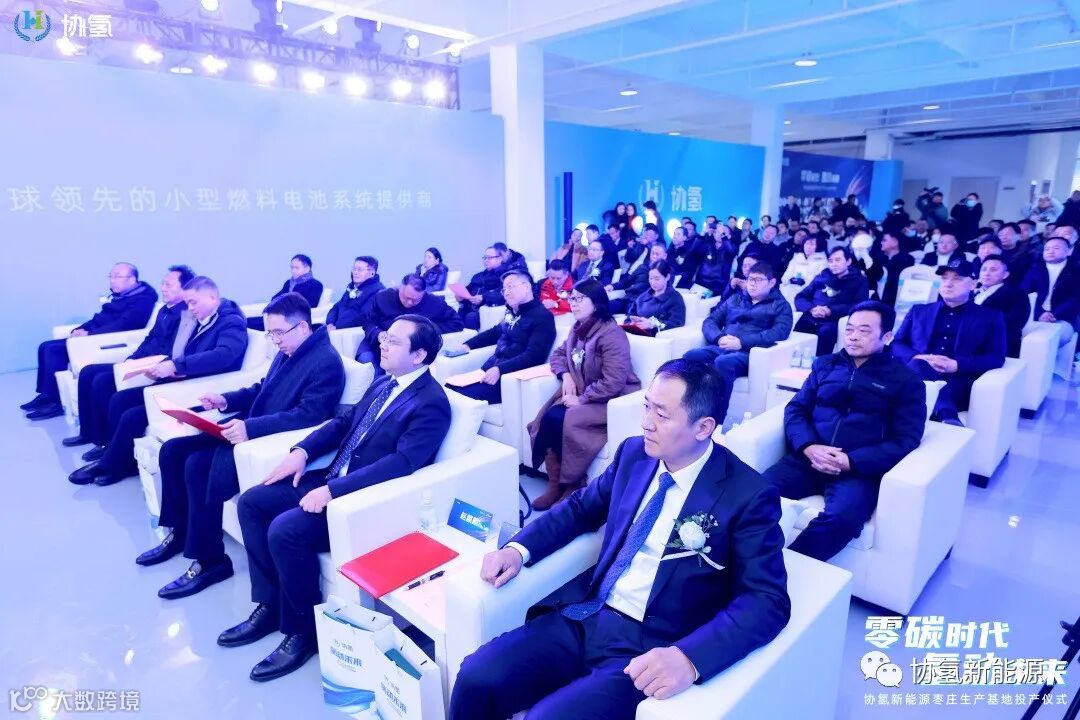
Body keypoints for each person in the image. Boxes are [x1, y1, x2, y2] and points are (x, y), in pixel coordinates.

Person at [450, 359, 790, 720]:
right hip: (586, 613)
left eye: (661, 414)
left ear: (703, 427)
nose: (646, 422)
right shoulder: (634, 454)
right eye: (647, 406)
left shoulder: (747, 495)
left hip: (649, 645)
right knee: (476, 677)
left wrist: (690, 658)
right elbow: (580, 509)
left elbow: (766, 599)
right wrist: (519, 548)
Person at [220, 315, 451, 682]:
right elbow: (344, 423)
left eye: (393, 341)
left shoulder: (431, 403)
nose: (382, 344)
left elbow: (401, 463)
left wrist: (332, 492)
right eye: (384, 337)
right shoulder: (384, 381)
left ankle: (303, 633)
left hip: (360, 501)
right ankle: (269, 604)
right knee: (251, 503)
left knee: (285, 530)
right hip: (330, 477)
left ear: (419, 355)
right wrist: (302, 451)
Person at [138, 293, 346, 600]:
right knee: (173, 451)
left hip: (263, 438)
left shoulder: (326, 362)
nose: (275, 340)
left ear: (303, 326)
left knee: (198, 465)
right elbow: (263, 389)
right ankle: (180, 532)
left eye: (279, 332)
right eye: (271, 333)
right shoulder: (291, 350)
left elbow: (310, 415)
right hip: (249, 426)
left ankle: (211, 560)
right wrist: (226, 400)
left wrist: (251, 428)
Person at [762, 301, 926, 561]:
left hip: (858, 471)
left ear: (887, 337)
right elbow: (796, 409)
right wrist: (808, 446)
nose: (853, 336)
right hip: (808, 458)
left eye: (864, 331)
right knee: (754, 492)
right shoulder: (825, 365)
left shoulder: (906, 380)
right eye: (849, 329)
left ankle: (786, 567)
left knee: (842, 519)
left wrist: (852, 461)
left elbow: (906, 438)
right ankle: (744, 558)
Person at [68, 276, 250, 486]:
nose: (190, 308)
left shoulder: (231, 322)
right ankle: (112, 454)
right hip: (183, 380)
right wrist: (165, 365)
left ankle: (112, 466)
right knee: (120, 399)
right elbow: (182, 351)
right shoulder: (201, 320)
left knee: (132, 416)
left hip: (200, 388)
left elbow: (223, 355)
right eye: (188, 303)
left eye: (193, 302)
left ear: (212, 298)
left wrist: (177, 366)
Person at [528, 279, 641, 511]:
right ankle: (555, 485)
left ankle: (572, 484)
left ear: (596, 303)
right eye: (572, 298)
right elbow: (558, 356)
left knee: (568, 420)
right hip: (582, 389)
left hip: (610, 398)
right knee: (549, 417)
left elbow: (614, 381)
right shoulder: (577, 328)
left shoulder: (612, 334)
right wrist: (565, 375)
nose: (574, 303)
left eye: (580, 298)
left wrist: (581, 399)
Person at [61, 265, 196, 453]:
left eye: (168, 285)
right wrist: (131, 359)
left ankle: (105, 443)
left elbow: (173, 353)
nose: (163, 288)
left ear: (185, 289)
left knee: (102, 381)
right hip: (139, 361)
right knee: (88, 372)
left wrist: (140, 364)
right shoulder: (164, 310)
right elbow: (149, 339)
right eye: (162, 284)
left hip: (153, 367)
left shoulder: (187, 315)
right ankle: (88, 433)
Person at [23, 263, 158, 420]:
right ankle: (46, 395)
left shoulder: (143, 300)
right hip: (93, 335)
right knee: (45, 346)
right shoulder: (121, 295)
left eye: (117, 277)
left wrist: (89, 334)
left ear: (132, 279)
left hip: (103, 341)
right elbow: (99, 318)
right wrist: (80, 329)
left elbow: (124, 325)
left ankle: (55, 402)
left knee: (53, 350)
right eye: (111, 276)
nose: (112, 280)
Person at [891, 260, 1006, 425]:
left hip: (957, 380)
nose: (948, 284)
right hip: (914, 372)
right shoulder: (919, 310)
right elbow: (896, 344)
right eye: (944, 278)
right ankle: (947, 415)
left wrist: (957, 365)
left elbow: (996, 358)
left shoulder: (990, 317)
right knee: (918, 365)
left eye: (957, 278)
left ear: (973, 284)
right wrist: (918, 357)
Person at [447, 269, 557, 404]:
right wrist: (467, 345)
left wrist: (500, 369)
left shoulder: (543, 317)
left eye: (510, 286)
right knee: (448, 389)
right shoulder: (511, 312)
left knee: (457, 397)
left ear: (527, 287)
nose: (506, 292)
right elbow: (494, 333)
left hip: (510, 378)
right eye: (504, 289)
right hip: (490, 370)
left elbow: (534, 356)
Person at [685, 261, 792, 385]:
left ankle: (717, 399)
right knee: (691, 356)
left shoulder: (780, 305)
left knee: (723, 362)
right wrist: (719, 338)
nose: (752, 284)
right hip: (722, 346)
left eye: (758, 280)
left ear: (771, 282)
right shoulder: (735, 299)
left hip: (749, 353)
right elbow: (710, 321)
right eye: (750, 279)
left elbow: (779, 332)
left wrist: (742, 343)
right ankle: (692, 397)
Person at [357, 275, 463, 366]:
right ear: (400, 288)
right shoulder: (383, 297)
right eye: (405, 297)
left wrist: (426, 330)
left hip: (408, 348)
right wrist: (378, 333)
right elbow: (368, 322)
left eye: (415, 300)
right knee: (366, 359)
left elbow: (456, 323)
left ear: (423, 294)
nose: (409, 303)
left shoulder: (434, 303)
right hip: (378, 343)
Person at [794, 247, 869, 356]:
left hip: (833, 320)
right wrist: (811, 309)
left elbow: (859, 305)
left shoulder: (859, 280)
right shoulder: (821, 277)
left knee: (826, 331)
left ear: (848, 261)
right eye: (830, 261)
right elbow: (800, 297)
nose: (833, 264)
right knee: (798, 328)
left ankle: (820, 363)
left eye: (838, 260)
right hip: (811, 316)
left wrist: (830, 311)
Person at [1022, 236, 1080, 347]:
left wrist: (1053, 315)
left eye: (1056, 248)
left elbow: (1075, 300)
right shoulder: (1035, 268)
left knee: (1048, 339)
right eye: (1047, 249)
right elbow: (1024, 294)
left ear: (1068, 251)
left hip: (1063, 318)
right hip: (1033, 315)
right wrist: (1040, 313)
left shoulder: (1076, 271)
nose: (1050, 251)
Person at [973, 255, 1031, 359]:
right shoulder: (970, 292)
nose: (987, 273)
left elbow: (1015, 323)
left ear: (1005, 274)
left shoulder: (1017, 294)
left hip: (998, 345)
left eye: (993, 270)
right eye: (984, 269)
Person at [248, 254, 324, 331]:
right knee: (245, 321)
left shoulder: (316, 284)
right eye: (292, 267)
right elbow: (275, 298)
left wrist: (286, 302)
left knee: (247, 323)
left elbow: (311, 304)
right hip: (278, 315)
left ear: (307, 268)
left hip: (292, 319)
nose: (293, 271)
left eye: (296, 268)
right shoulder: (289, 283)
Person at [622, 261, 686, 336]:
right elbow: (630, 315)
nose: (653, 282)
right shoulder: (643, 296)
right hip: (635, 333)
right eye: (651, 278)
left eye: (657, 279)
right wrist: (631, 323)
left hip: (654, 337)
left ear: (667, 277)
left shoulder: (675, 298)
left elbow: (676, 323)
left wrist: (652, 324)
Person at [324, 256, 384, 331]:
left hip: (349, 331)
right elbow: (337, 307)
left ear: (372, 273)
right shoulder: (351, 287)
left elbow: (363, 317)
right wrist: (330, 322)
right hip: (335, 329)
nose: (355, 272)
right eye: (354, 269)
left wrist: (337, 327)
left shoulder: (377, 291)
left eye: (360, 270)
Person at [607, 242, 667, 313]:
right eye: (652, 253)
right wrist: (612, 286)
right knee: (604, 308)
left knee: (631, 314)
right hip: (628, 298)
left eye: (657, 254)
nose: (654, 256)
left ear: (665, 256)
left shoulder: (666, 272)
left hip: (642, 304)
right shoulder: (642, 267)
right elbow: (627, 281)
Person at [458, 247, 507, 330]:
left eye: (490, 258)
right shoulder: (477, 276)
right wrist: (460, 296)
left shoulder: (505, 276)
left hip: (483, 309)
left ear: (500, 258)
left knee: (470, 317)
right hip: (469, 308)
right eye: (485, 258)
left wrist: (483, 297)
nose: (486, 260)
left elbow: (502, 293)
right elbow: (467, 291)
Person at [864, 231, 915, 306]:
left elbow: (897, 279)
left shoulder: (907, 259)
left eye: (884, 240)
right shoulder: (878, 258)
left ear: (895, 242)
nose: (881, 243)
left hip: (895, 296)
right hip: (876, 295)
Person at [691, 225, 737, 297]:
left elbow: (731, 252)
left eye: (723, 232)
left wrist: (723, 236)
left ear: (729, 236)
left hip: (718, 285)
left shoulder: (731, 247)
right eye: (717, 232)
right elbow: (693, 250)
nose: (719, 234)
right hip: (701, 282)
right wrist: (702, 233)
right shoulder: (708, 245)